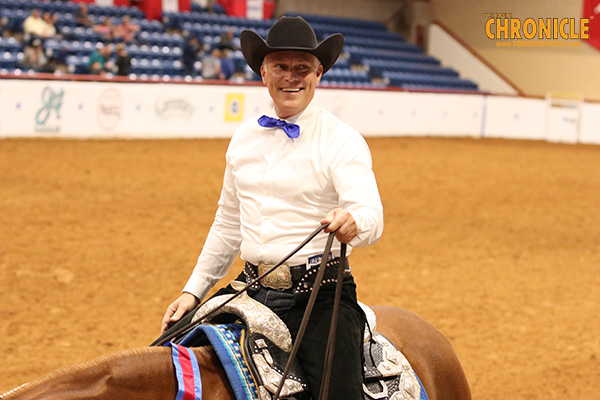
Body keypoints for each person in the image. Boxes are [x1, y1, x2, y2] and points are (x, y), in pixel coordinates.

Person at [161, 16, 383, 400]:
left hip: (320, 297)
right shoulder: (243, 138)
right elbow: (228, 224)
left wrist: (352, 221)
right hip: (250, 287)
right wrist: (193, 292)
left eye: (302, 68)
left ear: (319, 73)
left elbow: (371, 215)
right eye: (281, 66)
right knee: (166, 359)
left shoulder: (342, 141)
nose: (291, 78)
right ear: (263, 72)